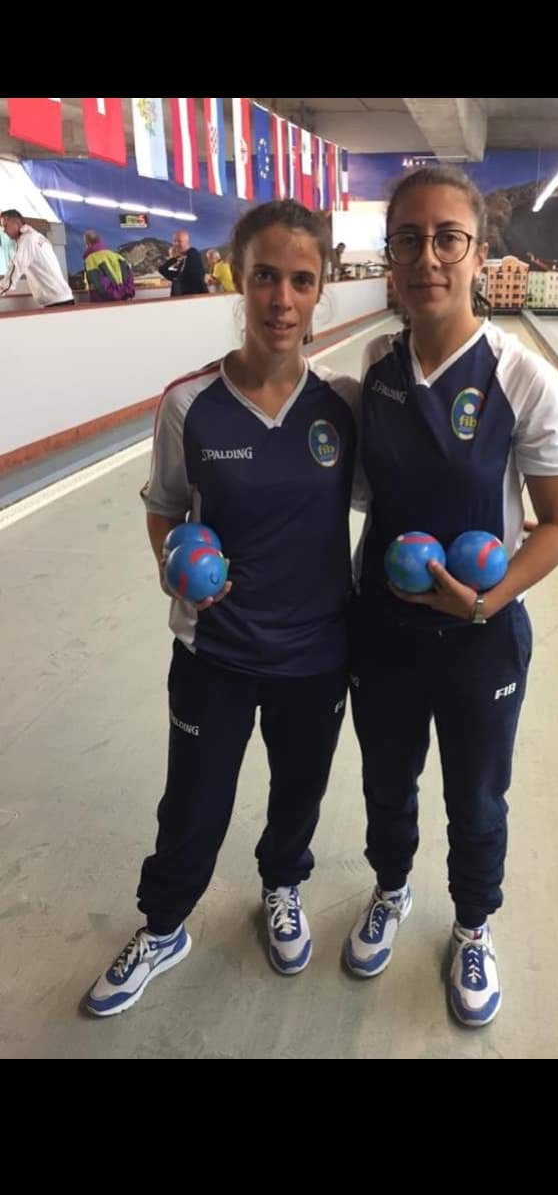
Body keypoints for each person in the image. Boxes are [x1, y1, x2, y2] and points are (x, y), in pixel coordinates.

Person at [87, 200, 359, 1017]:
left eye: (301, 281)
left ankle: (282, 886)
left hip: (316, 652)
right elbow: (165, 509)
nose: (282, 299)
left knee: (299, 791)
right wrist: (173, 565)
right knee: (194, 803)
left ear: (320, 290)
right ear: (239, 279)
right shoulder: (188, 404)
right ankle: (164, 925)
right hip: (217, 652)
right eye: (266, 276)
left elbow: (398, 496)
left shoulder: (343, 405)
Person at [344, 166, 558, 1027]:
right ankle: (391, 888)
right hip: (383, 630)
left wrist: (487, 600)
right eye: (408, 240)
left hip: (481, 635)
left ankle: (473, 925)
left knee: (477, 797)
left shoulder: (523, 377)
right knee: (386, 779)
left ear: (481, 253)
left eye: (449, 238)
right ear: (390, 257)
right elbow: (358, 490)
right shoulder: (374, 366)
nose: (428, 258)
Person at [0, 210, 74, 308]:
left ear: (16, 223)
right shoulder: (37, 237)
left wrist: (2, 288)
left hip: (56, 302)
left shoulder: (27, 240)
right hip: (62, 298)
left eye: (6, 226)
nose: (4, 231)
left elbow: (16, 266)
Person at [82, 230, 135, 302]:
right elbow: (129, 277)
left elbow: (100, 283)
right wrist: (125, 294)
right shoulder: (117, 256)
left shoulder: (90, 260)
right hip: (124, 299)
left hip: (104, 303)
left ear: (87, 244)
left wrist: (116, 296)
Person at [159, 229, 208, 296]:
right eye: (174, 241)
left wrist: (177, 257)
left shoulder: (193, 253)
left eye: (179, 241)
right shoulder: (181, 261)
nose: (176, 244)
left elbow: (191, 274)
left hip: (194, 299)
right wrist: (174, 258)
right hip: (180, 300)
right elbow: (162, 270)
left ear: (188, 243)